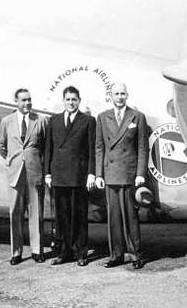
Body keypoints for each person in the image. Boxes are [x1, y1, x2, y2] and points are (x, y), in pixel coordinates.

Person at [95, 83, 148, 269]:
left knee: (130, 217)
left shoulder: (137, 117)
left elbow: (142, 148)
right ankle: (116, 255)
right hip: (110, 174)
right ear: (111, 96)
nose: (119, 97)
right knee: (114, 217)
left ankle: (135, 255)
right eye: (116, 94)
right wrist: (99, 174)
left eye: (122, 94)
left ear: (127, 95)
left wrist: (140, 174)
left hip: (129, 173)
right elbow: (99, 147)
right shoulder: (102, 117)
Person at [44, 86, 96, 266]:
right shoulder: (54, 120)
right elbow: (48, 149)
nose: (71, 102)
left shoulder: (88, 120)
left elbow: (91, 149)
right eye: (68, 99)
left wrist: (91, 173)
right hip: (59, 175)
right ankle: (64, 252)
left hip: (78, 176)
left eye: (74, 99)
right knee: (62, 217)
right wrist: (48, 173)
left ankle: (81, 253)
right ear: (63, 100)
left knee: (79, 217)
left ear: (79, 101)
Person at [0, 88, 47, 265]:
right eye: (24, 100)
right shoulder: (7, 122)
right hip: (15, 173)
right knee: (15, 213)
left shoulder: (40, 121)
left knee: (36, 212)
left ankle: (37, 250)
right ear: (16, 102)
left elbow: (45, 147)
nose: (27, 103)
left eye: (29, 100)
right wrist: (13, 161)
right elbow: (1, 146)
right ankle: (16, 252)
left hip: (34, 172)